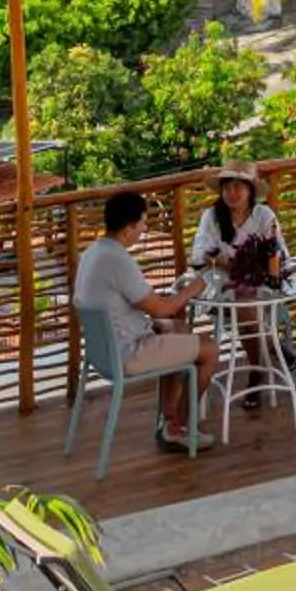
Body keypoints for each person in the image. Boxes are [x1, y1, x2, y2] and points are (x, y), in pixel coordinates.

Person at [72, 190, 214, 454]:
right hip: (128, 352)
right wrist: (196, 287)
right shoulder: (117, 260)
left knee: (180, 330)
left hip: (105, 349)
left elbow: (141, 305)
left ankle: (168, 420)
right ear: (128, 228)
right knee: (209, 349)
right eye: (143, 223)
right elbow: (160, 309)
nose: (144, 229)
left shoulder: (94, 251)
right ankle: (177, 428)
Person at [189, 166, 290, 370]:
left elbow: (280, 253)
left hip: (261, 282)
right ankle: (271, 352)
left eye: (238, 187)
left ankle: (258, 373)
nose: (232, 193)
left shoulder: (263, 215)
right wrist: (227, 264)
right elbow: (199, 255)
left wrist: (255, 263)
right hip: (223, 283)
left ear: (250, 190)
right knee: (242, 300)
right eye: (227, 188)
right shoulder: (212, 216)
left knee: (246, 304)